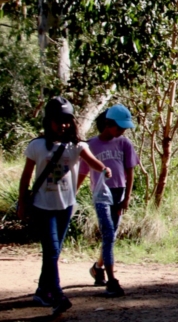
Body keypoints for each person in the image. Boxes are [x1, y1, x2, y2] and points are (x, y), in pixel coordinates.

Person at [18, 96, 111, 316]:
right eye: (58, 120)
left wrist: (104, 169)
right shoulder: (37, 146)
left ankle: (42, 290)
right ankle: (58, 295)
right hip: (43, 206)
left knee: (54, 252)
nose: (63, 125)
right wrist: (22, 202)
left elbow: (92, 161)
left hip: (65, 206)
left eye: (67, 120)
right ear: (48, 121)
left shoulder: (77, 146)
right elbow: (25, 177)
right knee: (51, 250)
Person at [78, 104, 139, 298]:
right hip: (101, 193)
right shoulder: (90, 146)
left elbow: (130, 172)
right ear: (108, 124)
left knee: (110, 236)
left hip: (119, 193)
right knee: (108, 234)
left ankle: (97, 268)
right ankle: (112, 281)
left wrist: (127, 198)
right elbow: (82, 172)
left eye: (124, 128)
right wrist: (72, 193)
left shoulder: (124, 144)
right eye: (119, 127)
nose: (122, 131)